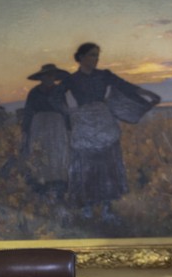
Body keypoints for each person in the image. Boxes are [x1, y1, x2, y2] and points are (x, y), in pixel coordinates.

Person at [60, 42, 160, 221]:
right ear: (81, 57)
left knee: (107, 164)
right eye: (92, 55)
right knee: (86, 165)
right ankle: (88, 207)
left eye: (97, 56)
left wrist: (148, 93)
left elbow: (125, 86)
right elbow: (55, 96)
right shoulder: (71, 79)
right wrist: (67, 111)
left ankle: (107, 208)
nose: (96, 59)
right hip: (83, 124)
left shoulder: (104, 75)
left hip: (103, 121)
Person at [19, 63, 71, 195]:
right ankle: (41, 186)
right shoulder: (34, 92)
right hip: (39, 126)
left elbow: (65, 111)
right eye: (47, 76)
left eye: (52, 76)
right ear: (41, 77)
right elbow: (28, 112)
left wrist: (69, 129)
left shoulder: (59, 91)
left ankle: (57, 186)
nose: (49, 78)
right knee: (40, 153)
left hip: (56, 127)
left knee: (57, 154)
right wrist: (25, 131)